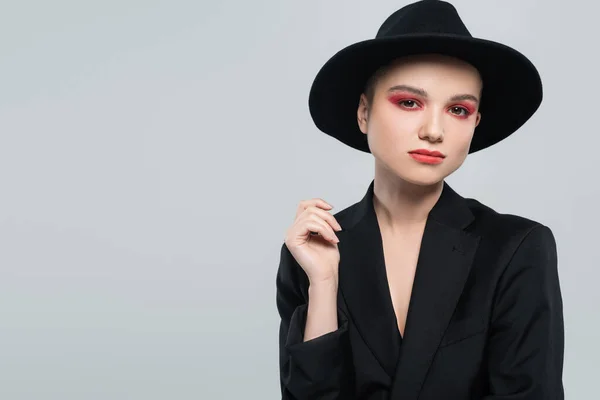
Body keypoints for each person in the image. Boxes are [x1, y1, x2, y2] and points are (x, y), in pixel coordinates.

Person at [275, 1, 564, 399]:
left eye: (458, 109)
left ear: (475, 124)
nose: (434, 130)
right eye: (409, 102)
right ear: (363, 112)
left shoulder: (516, 248)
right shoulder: (311, 251)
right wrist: (324, 285)